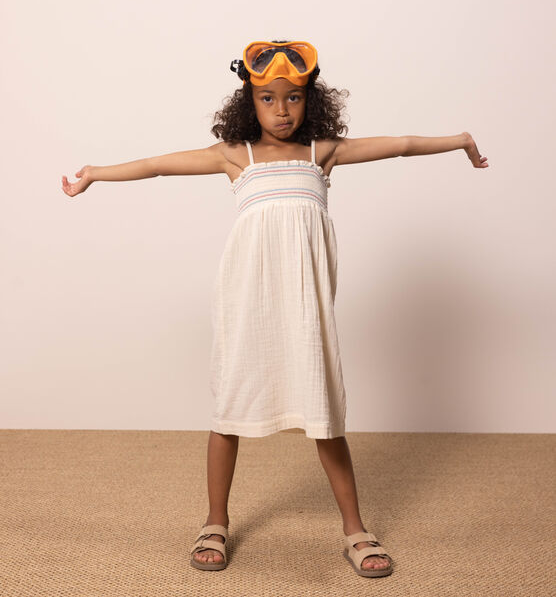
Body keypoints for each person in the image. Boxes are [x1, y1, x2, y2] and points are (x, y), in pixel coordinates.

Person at [61, 39, 489, 579]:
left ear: (311, 100)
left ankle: (355, 529)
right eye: (268, 98)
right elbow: (155, 165)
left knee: (324, 417)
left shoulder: (320, 154)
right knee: (230, 412)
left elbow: (400, 144)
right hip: (247, 306)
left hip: (306, 312)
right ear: (250, 101)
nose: (282, 110)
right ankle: (215, 521)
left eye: (293, 98)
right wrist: (95, 172)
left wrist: (460, 141)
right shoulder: (233, 156)